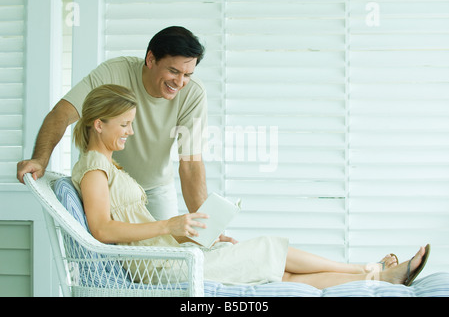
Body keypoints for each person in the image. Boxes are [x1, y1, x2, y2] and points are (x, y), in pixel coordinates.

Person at [69, 84, 430, 288]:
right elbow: (102, 229)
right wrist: (169, 225)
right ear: (98, 124)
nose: (131, 132)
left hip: (171, 256)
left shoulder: (106, 167)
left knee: (285, 277)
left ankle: (381, 278)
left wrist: (190, 233)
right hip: (165, 269)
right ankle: (373, 271)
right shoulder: (94, 170)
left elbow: (134, 231)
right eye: (124, 125)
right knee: (273, 248)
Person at [16, 26, 232, 238]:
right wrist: (40, 159)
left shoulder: (192, 94)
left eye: (187, 74)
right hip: (109, 185)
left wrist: (208, 232)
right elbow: (62, 113)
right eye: (173, 71)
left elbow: (191, 164)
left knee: (166, 253)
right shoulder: (114, 73)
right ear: (150, 59)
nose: (180, 82)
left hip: (156, 188)